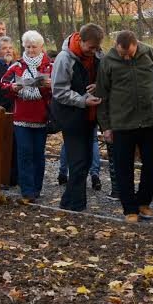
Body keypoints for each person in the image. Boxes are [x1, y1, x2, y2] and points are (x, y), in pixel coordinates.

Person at [96, 29, 153, 223]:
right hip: (122, 123)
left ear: (137, 45)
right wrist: (106, 126)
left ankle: (144, 202)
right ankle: (129, 208)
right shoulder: (108, 62)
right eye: (123, 54)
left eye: (130, 54)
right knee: (123, 167)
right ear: (116, 46)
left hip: (150, 121)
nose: (126, 58)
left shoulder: (149, 53)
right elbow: (102, 96)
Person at [51, 24, 105, 212]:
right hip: (71, 116)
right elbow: (59, 91)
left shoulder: (97, 54)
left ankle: (72, 202)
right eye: (90, 47)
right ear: (80, 40)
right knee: (78, 161)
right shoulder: (64, 58)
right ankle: (74, 204)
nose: (94, 51)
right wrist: (82, 100)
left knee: (86, 160)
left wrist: (98, 86)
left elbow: (104, 77)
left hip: (90, 116)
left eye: (97, 48)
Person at [1, 31, 53, 203]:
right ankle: (27, 191)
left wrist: (49, 85)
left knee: (38, 154)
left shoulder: (49, 66)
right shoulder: (16, 66)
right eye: (28, 47)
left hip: (41, 117)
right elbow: (2, 83)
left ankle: (37, 188)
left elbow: (59, 87)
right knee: (24, 153)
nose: (31, 50)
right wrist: (12, 87)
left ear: (41, 47)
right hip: (21, 118)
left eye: (34, 47)